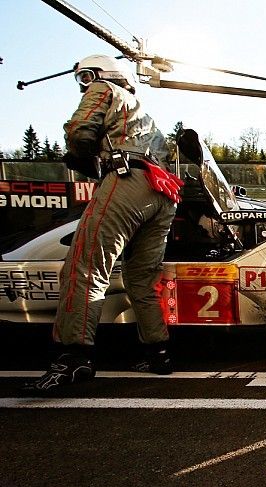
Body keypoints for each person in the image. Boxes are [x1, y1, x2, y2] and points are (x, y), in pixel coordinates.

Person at [26, 54, 184, 392]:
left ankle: (72, 358)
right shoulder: (146, 115)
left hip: (127, 178)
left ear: (101, 73)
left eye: (85, 76)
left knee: (85, 265)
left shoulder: (104, 88)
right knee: (142, 277)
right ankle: (159, 353)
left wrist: (80, 155)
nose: (84, 84)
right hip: (164, 190)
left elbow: (80, 131)